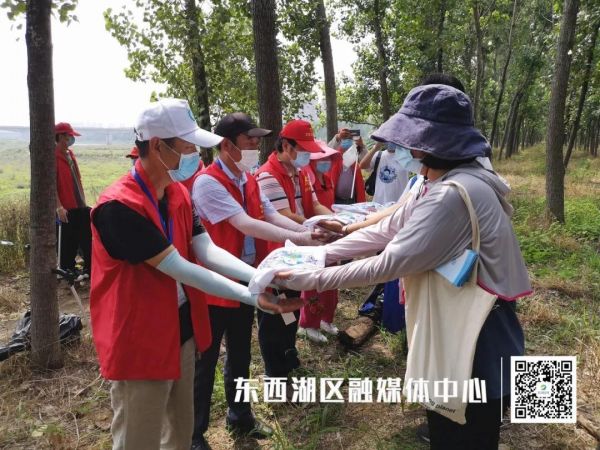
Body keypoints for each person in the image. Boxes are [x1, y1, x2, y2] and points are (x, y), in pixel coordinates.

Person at [277, 85, 532, 450]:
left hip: (475, 328)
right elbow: (389, 227)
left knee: (465, 428)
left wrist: (314, 277)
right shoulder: (441, 180)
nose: (408, 152)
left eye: (412, 144)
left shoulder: (450, 195)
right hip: (462, 315)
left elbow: (389, 263)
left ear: (430, 144)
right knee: (453, 417)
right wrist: (322, 255)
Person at [89, 98, 301, 450]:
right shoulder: (118, 208)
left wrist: (260, 276)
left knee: (181, 430)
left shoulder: (178, 195)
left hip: (181, 329)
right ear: (158, 146)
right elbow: (178, 267)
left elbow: (206, 250)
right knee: (139, 437)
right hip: (140, 339)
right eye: (187, 147)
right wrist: (254, 294)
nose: (195, 156)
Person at [191, 113, 321, 448]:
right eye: (249, 139)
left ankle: (240, 416)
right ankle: (195, 433)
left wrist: (307, 230)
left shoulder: (247, 178)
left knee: (240, 354)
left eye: (256, 139)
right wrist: (302, 237)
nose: (255, 145)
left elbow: (271, 214)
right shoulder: (207, 183)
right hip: (215, 283)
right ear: (226, 144)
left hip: (247, 278)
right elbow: (245, 223)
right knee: (205, 360)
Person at [254, 119, 332, 377]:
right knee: (273, 314)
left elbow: (314, 205)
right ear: (286, 146)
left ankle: (288, 355)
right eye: (304, 150)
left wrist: (336, 221)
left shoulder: (301, 173)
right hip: (276, 255)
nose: (308, 156)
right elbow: (284, 215)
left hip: (298, 252)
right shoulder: (267, 175)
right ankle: (274, 371)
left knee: (292, 306)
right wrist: (316, 229)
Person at [296, 141, 341, 342]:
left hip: (330, 233)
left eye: (329, 158)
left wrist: (338, 222)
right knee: (314, 281)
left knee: (332, 278)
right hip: (314, 235)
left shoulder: (327, 179)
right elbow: (309, 208)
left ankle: (326, 319)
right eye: (322, 159)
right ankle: (308, 324)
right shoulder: (307, 180)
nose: (326, 162)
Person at [55, 122, 92, 279]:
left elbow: (77, 179)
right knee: (67, 242)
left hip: (79, 204)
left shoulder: (70, 153)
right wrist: (59, 207)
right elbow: (51, 185)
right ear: (60, 137)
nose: (71, 139)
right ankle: (68, 272)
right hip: (66, 207)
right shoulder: (53, 156)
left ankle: (89, 269)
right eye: (69, 136)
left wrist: (83, 200)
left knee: (86, 238)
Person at [328, 128, 367, 203]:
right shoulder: (335, 155)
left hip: (353, 201)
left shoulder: (354, 155)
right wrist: (337, 137)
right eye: (345, 138)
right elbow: (327, 151)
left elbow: (367, 163)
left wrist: (361, 146)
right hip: (336, 200)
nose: (347, 140)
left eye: (350, 139)